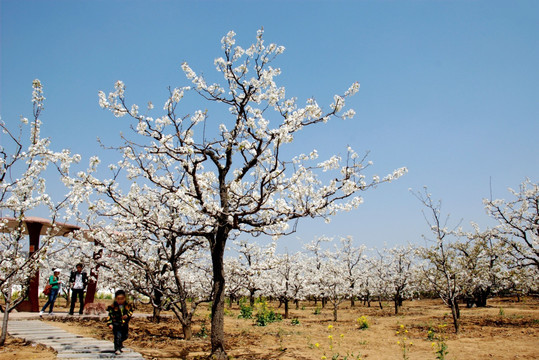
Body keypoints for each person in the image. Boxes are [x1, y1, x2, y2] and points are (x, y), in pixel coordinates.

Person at [106, 290, 133, 355]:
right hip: (116, 324)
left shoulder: (127, 306)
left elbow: (131, 311)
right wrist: (110, 323)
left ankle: (120, 344)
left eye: (122, 299)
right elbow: (110, 316)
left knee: (125, 336)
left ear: (125, 298)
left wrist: (127, 315)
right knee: (117, 336)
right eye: (118, 299)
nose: (120, 301)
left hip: (124, 324)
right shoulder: (113, 307)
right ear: (116, 299)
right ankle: (117, 348)